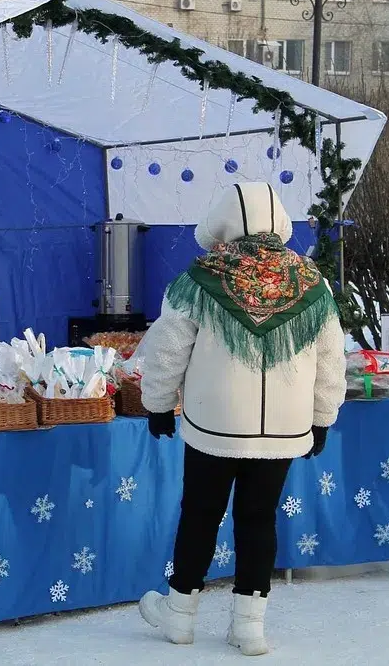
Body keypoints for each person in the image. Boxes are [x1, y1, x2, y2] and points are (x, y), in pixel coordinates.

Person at [135, 182, 347, 656]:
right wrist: (321, 417)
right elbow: (332, 358)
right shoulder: (312, 282)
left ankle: (180, 615)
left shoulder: (199, 279)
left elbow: (167, 349)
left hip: (215, 424)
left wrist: (158, 403)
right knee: (259, 518)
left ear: (222, 221)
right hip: (284, 428)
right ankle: (249, 626)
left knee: (200, 513)